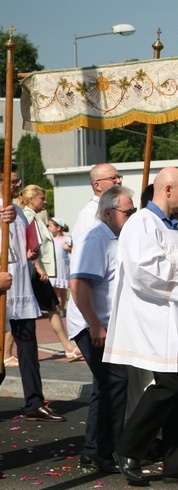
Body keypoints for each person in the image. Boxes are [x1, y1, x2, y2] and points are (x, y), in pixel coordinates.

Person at [104, 167, 178, 486]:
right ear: (166, 189)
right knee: (169, 386)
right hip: (154, 320)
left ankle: (177, 461)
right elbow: (142, 271)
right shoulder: (140, 224)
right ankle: (128, 447)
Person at [68, 186, 133, 473]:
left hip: (108, 324)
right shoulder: (96, 238)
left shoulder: (118, 237)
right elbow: (78, 284)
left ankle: (95, 451)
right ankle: (102, 451)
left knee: (106, 386)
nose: (132, 216)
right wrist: (94, 324)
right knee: (115, 382)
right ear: (108, 212)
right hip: (91, 323)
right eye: (127, 212)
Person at [1, 165, 65, 422]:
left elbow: (28, 243)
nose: (17, 185)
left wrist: (32, 256)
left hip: (20, 287)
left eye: (18, 181)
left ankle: (34, 402)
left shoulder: (17, 210)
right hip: (2, 284)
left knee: (28, 348)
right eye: (13, 181)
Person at [20, 185, 80, 362]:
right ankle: (6, 353)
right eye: (42, 198)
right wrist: (39, 268)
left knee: (52, 307)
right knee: (25, 313)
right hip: (37, 271)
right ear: (32, 199)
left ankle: (68, 347)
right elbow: (32, 245)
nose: (45, 201)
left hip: (41, 270)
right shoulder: (28, 217)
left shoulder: (35, 217)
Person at [71, 163, 122, 245]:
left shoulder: (115, 208)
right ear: (97, 185)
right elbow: (86, 249)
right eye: (113, 178)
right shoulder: (89, 213)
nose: (119, 181)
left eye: (119, 177)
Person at [47, 217, 73, 316]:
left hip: (64, 267)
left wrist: (68, 249)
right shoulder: (50, 240)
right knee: (56, 289)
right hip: (55, 268)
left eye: (50, 226)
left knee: (64, 290)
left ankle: (63, 307)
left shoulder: (67, 239)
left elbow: (74, 251)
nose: (49, 228)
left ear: (58, 228)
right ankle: (59, 309)